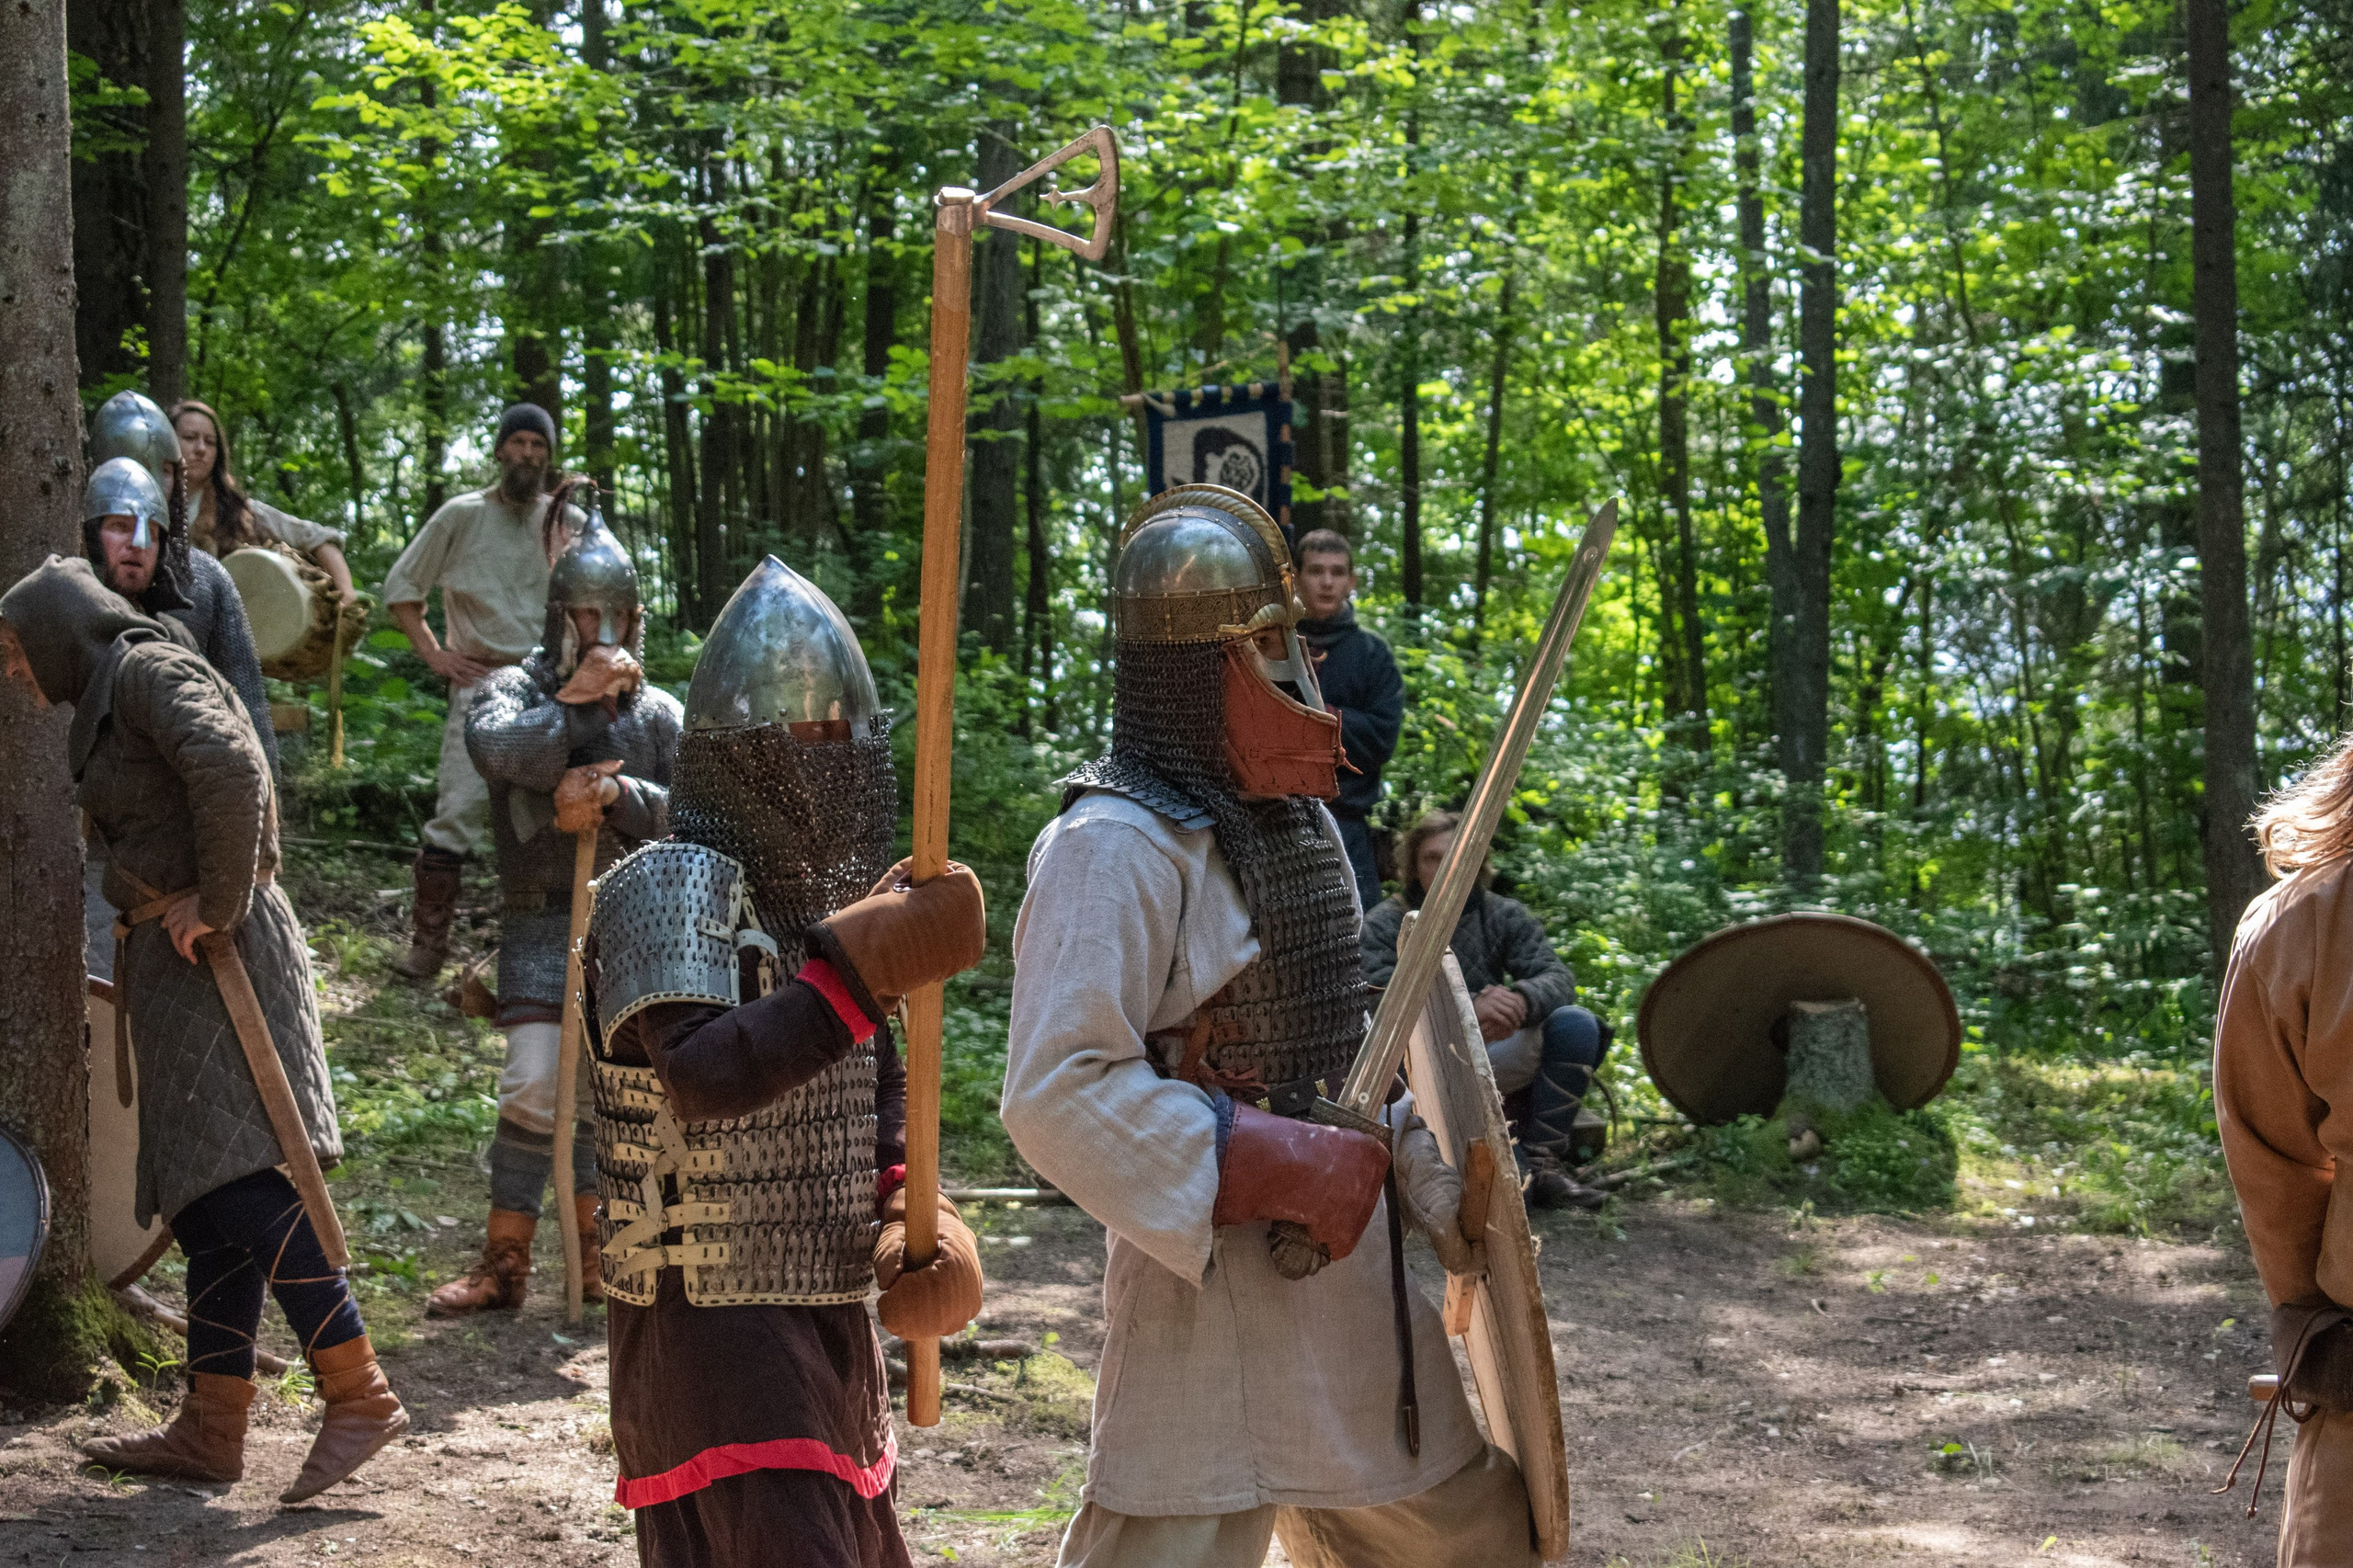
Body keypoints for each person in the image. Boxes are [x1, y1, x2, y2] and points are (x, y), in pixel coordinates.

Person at [1005, 484, 1538, 1568]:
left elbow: (1347, 1052)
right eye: (1264, 645)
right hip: (1210, 1308)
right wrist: (1275, 1161)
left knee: (1473, 1541)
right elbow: (1055, 1088)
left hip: (1350, 1305)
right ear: (1196, 669)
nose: (1297, 671)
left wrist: (1424, 1176)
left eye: (1290, 638)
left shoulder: (1300, 828)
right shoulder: (1112, 845)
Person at [583, 555, 988, 1566]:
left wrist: (909, 1211)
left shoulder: (829, 918)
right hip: (709, 1332)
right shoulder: (667, 885)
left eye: (844, 742)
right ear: (740, 759)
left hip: (825, 1316)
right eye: (805, 741)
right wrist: (861, 972)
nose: (828, 764)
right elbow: (703, 1075)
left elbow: (876, 1096)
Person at [1, 554, 406, 1504]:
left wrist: (217, 901)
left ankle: (358, 1389)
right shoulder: (113, 685)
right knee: (201, 1197)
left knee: (240, 1179)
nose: (14, 670)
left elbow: (232, 764)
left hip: (221, 952)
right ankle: (212, 1425)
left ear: (58, 633)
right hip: (179, 957)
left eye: (17, 650)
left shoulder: (145, 667)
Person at [427, 495, 682, 1317]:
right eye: (588, 614)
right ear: (560, 617)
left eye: (617, 614)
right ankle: (505, 1262)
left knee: (609, 1091)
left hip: (630, 929)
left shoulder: (659, 714)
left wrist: (619, 797)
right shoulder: (513, 687)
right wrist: (573, 706)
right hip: (542, 920)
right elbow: (497, 750)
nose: (604, 630)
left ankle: (597, 1257)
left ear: (636, 617)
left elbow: (698, 812)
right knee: (535, 1083)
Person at [380, 403, 584, 981]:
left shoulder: (566, 522)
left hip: (549, 689)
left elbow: (603, 594)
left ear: (548, 456)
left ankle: (543, 956)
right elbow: (402, 588)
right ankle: (429, 946)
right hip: (480, 683)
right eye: (518, 442)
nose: (528, 454)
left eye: (538, 445)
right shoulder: (461, 515)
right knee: (459, 812)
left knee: (550, 819)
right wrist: (436, 655)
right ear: (499, 450)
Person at [2216, 738, 2353, 1562]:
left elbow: (2278, 1173)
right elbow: (2277, 1168)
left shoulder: (2306, 921)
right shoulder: (2307, 924)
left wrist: (2315, 1320)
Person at [1362, 810, 1611, 1210]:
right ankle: (1506, 1164)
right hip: (1423, 1068)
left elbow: (1556, 976)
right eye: (1432, 858)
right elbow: (1378, 998)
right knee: (1509, 1197)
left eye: (1456, 856)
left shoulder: (1501, 914)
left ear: (1476, 862)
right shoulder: (1384, 923)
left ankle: (1545, 1162)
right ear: (1413, 865)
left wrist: (1521, 1001)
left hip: (1493, 1052)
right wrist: (1468, 1008)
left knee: (1576, 1025)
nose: (1445, 868)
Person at [86, 391, 278, 775]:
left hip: (187, 779)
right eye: (137, 464)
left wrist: (266, 791)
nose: (152, 482)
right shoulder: (66, 574)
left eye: (166, 469)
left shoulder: (207, 578)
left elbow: (248, 709)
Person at [1292, 528, 1403, 911]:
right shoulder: (1267, 646)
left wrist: (1321, 718)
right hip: (1271, 821)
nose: (1327, 582)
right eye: (1316, 570)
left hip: (1347, 827)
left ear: (1351, 581)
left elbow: (1381, 738)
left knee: (1354, 937)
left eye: (1337, 572)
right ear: (1295, 578)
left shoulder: (1373, 655)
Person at [170, 399, 358, 605]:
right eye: (190, 438)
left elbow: (320, 538)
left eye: (210, 442)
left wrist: (346, 597)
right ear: (168, 441)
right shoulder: (148, 500)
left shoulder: (241, 513)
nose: (201, 449)